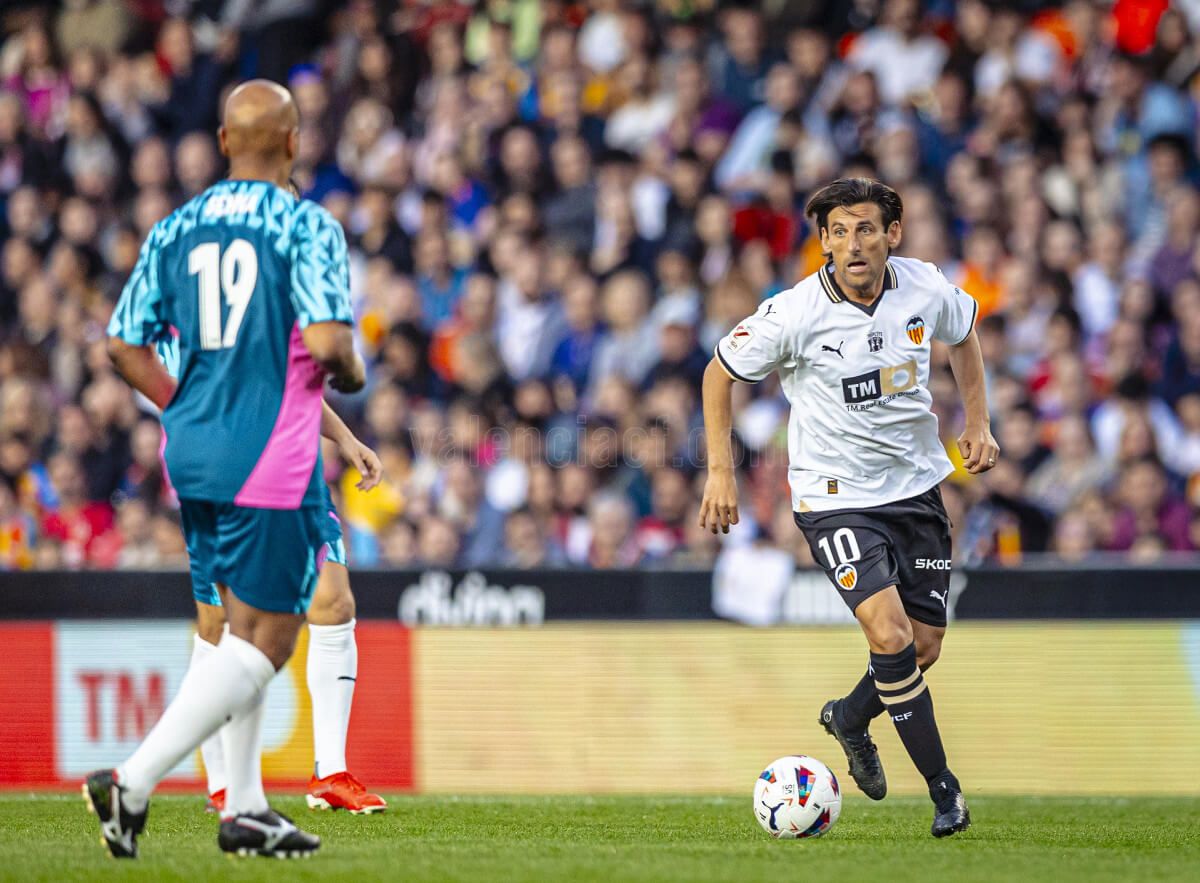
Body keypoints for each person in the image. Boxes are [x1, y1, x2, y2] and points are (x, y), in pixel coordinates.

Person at [87, 79, 366, 859]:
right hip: (268, 452)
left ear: (220, 142)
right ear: (292, 142)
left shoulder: (175, 228)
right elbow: (330, 339)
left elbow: (121, 345)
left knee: (235, 625)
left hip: (193, 447)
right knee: (271, 636)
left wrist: (180, 408)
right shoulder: (303, 224)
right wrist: (352, 373)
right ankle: (131, 780)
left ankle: (244, 806)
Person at [699, 178, 998, 838]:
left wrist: (977, 422)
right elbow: (719, 372)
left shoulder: (923, 287)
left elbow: (965, 334)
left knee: (923, 645)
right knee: (888, 636)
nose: (852, 243)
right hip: (835, 499)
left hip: (917, 491)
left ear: (893, 234)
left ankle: (850, 716)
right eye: (838, 231)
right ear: (823, 242)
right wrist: (722, 473)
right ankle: (944, 790)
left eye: (866, 228)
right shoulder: (795, 312)